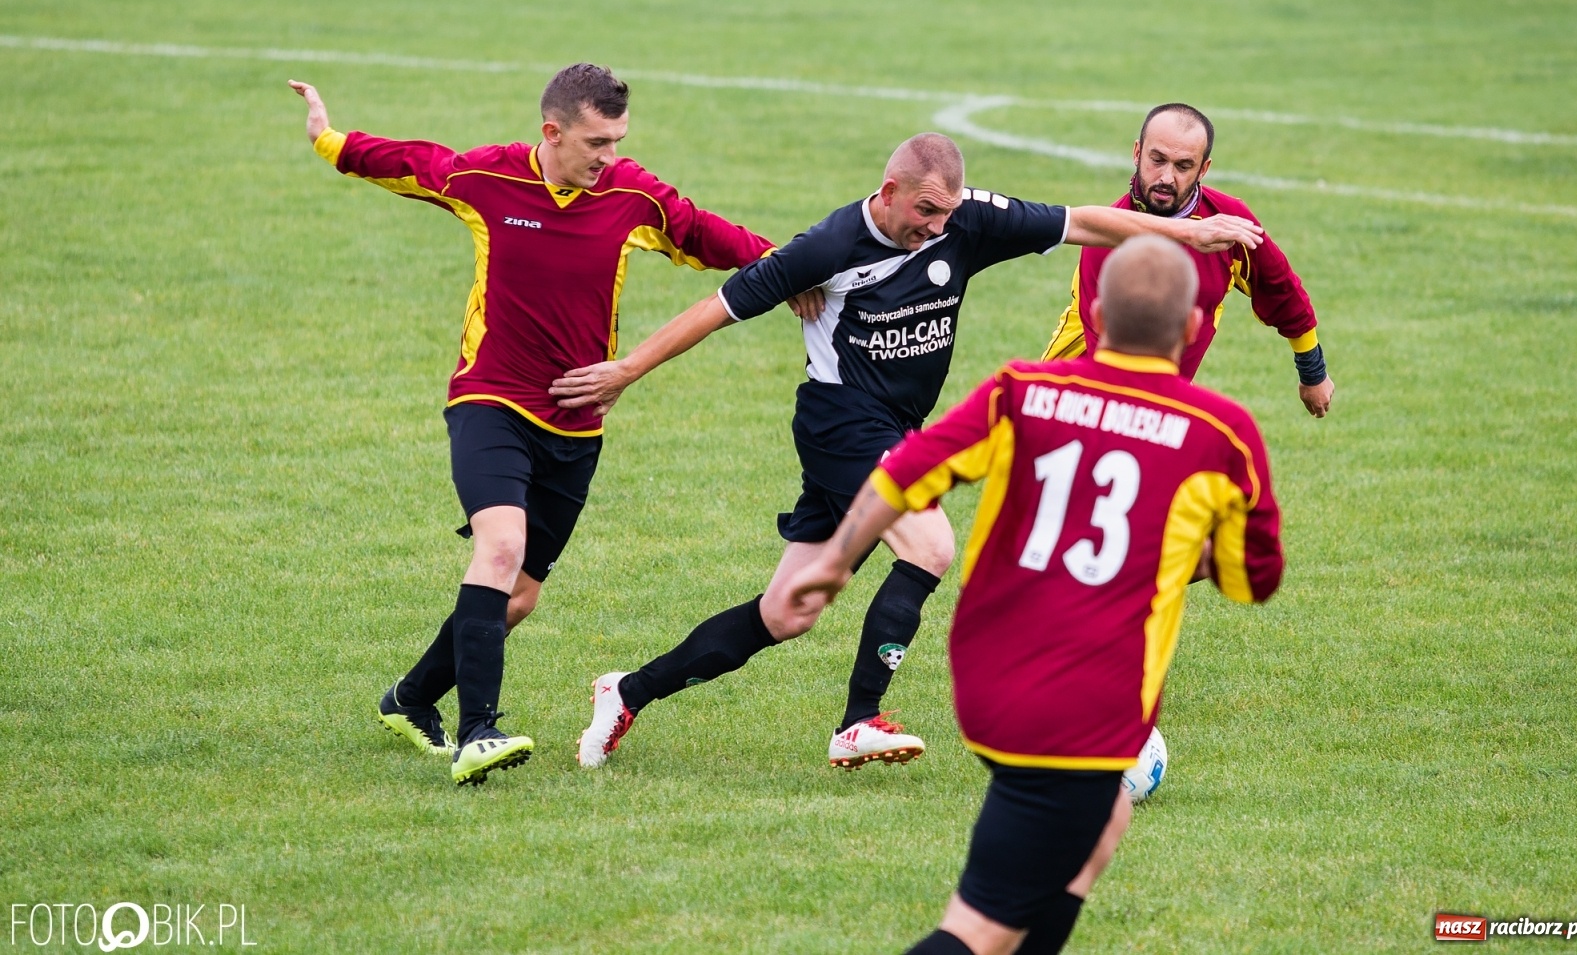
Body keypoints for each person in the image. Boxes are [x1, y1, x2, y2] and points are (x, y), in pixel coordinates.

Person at [557, 133, 1264, 770]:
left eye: (946, 214)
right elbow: (715, 309)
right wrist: (624, 371)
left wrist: (1184, 235)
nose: (935, 228)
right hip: (841, 427)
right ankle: (857, 721)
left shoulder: (965, 219)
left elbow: (1083, 221)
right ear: (888, 189)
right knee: (929, 545)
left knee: (787, 613)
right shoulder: (828, 246)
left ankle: (626, 691)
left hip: (894, 430)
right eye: (924, 211)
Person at [288, 64, 806, 786]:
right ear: (552, 132)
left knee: (519, 597)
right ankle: (477, 732)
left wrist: (797, 270)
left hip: (576, 427)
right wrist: (328, 137)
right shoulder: (490, 180)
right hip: (491, 401)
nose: (609, 155)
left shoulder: (633, 194)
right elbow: (410, 162)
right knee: (500, 549)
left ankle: (409, 700)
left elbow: (707, 233)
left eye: (618, 139)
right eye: (596, 141)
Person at [779, 235, 1285, 954]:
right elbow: (1253, 576)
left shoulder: (1024, 390)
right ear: (1195, 327)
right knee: (978, 925)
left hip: (987, 682)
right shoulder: (1220, 434)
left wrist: (834, 560)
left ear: (1098, 314)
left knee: (1101, 827)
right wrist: (1175, 556)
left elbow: (907, 468)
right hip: (1083, 704)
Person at [1042, 103, 1334, 418]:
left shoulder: (1229, 222)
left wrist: (1312, 370)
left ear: (1203, 169)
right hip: (1072, 391)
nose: (1166, 177)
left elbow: (1280, 289)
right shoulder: (1107, 234)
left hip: (1160, 403)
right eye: (1157, 160)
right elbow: (1108, 347)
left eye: (1183, 166)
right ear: (1137, 153)